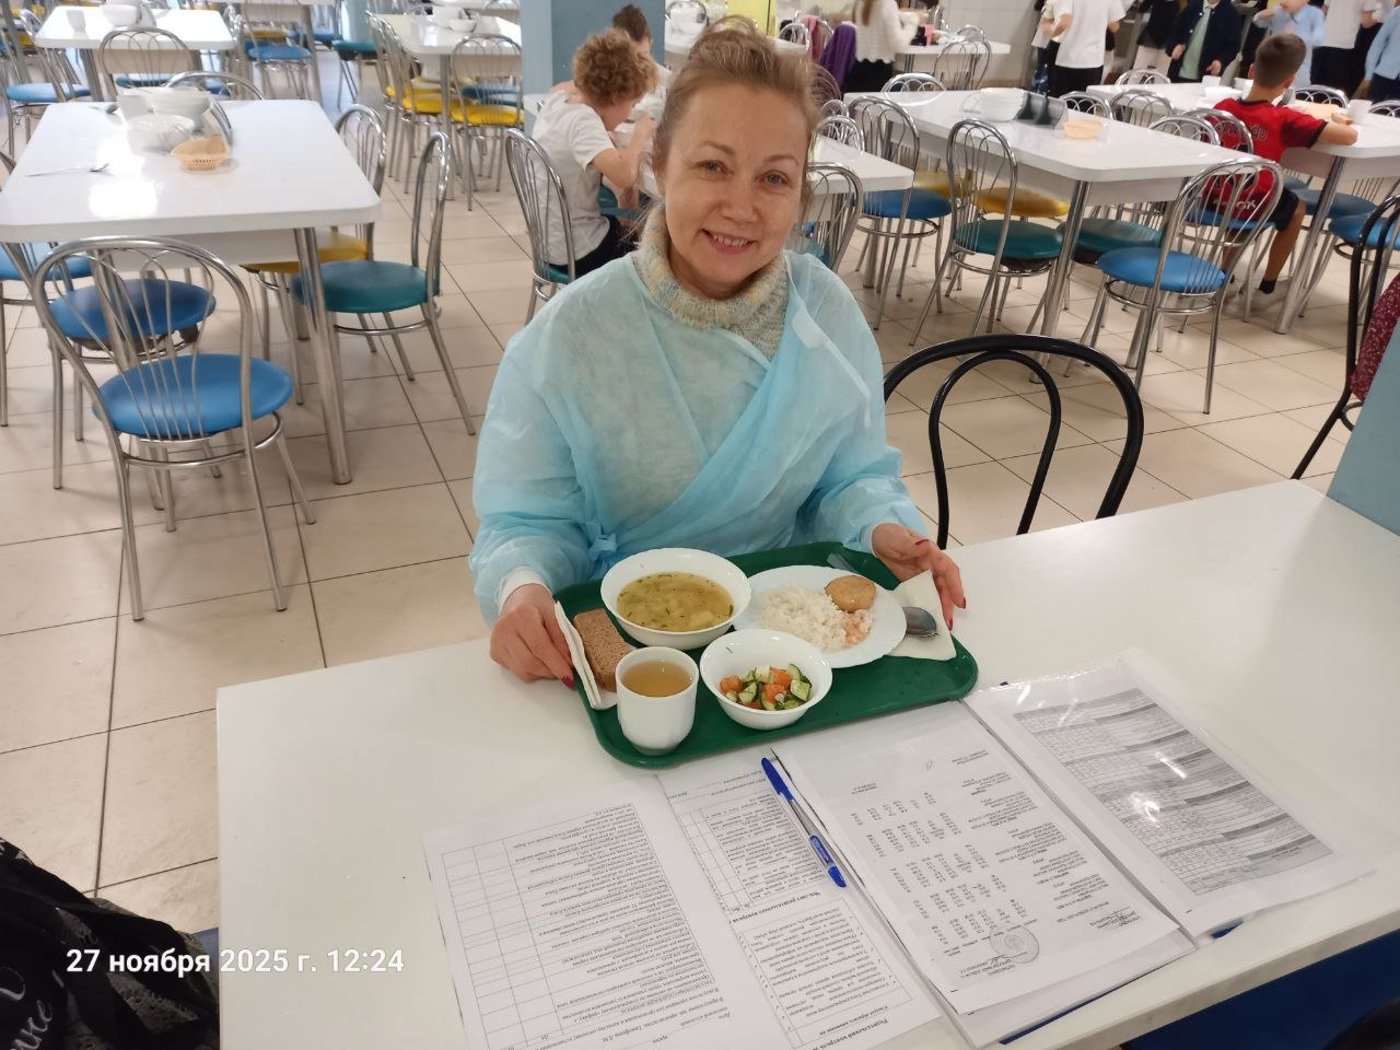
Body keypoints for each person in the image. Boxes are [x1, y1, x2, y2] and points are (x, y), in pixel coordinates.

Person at [470, 22, 966, 683]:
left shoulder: (824, 315)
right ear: (659, 165)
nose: (741, 207)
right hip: (636, 644)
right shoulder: (572, 337)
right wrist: (522, 589)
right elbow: (528, 520)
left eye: (774, 178)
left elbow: (848, 479)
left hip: (787, 629)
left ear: (801, 193)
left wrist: (882, 529)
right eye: (713, 166)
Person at [1214, 35, 1357, 300]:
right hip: (1251, 203)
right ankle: (1267, 288)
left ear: (1252, 70)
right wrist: (1338, 119)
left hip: (1212, 197)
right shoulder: (1284, 119)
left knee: (1249, 194)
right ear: (1290, 82)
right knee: (1296, 209)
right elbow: (1349, 137)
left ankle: (1225, 274)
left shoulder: (1222, 108)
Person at [532, 30, 656, 278]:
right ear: (616, 97)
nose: (630, 112)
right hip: (577, 252)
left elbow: (565, 86)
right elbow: (625, 175)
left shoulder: (558, 102)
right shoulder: (583, 121)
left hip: (548, 242)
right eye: (632, 104)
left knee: (627, 224)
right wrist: (640, 133)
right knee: (655, 248)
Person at [1048, 0, 1127, 96]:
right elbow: (1114, 26)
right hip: (1094, 60)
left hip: (1068, 58)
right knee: (1086, 102)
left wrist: (1048, 31)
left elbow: (1064, 22)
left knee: (1061, 101)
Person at [612, 3, 672, 118]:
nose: (638, 65)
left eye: (643, 56)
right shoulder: (606, 82)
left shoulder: (663, 78)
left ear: (651, 44)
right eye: (631, 57)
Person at [1165, 0, 1244, 82]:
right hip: (1178, 73)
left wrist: (1221, 62)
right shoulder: (1192, 5)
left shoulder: (1231, 14)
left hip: (1206, 77)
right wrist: (1174, 46)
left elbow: (1233, 46)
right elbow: (1175, 31)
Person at [1252, 0, 1325, 86]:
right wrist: (1261, 15)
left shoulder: (1315, 14)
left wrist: (1296, 37)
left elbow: (1318, 40)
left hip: (1299, 69)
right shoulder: (1279, 10)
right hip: (1274, 65)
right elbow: (1259, 22)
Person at [846, 0, 908, 92]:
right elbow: (899, 44)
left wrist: (899, 14)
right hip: (880, 76)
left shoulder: (861, 2)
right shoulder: (888, 4)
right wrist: (913, 22)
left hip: (858, 72)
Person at [1361, 0, 1400, 100]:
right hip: (1384, 75)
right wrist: (1368, 76)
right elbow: (1377, 44)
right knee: (1373, 108)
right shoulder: (1397, 13)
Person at [1133, 0, 1182, 72]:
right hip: (1165, 38)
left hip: (1153, 36)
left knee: (1139, 69)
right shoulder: (1177, 3)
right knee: (1161, 71)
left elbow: (1142, 8)